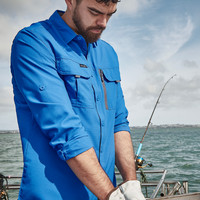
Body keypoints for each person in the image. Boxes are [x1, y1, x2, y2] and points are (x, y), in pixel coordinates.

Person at [10, 0, 146, 199]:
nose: (103, 23)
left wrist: (131, 184)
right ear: (71, 1)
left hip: (105, 193)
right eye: (94, 12)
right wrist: (112, 196)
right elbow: (65, 130)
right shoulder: (33, 42)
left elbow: (118, 122)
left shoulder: (108, 53)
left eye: (110, 14)